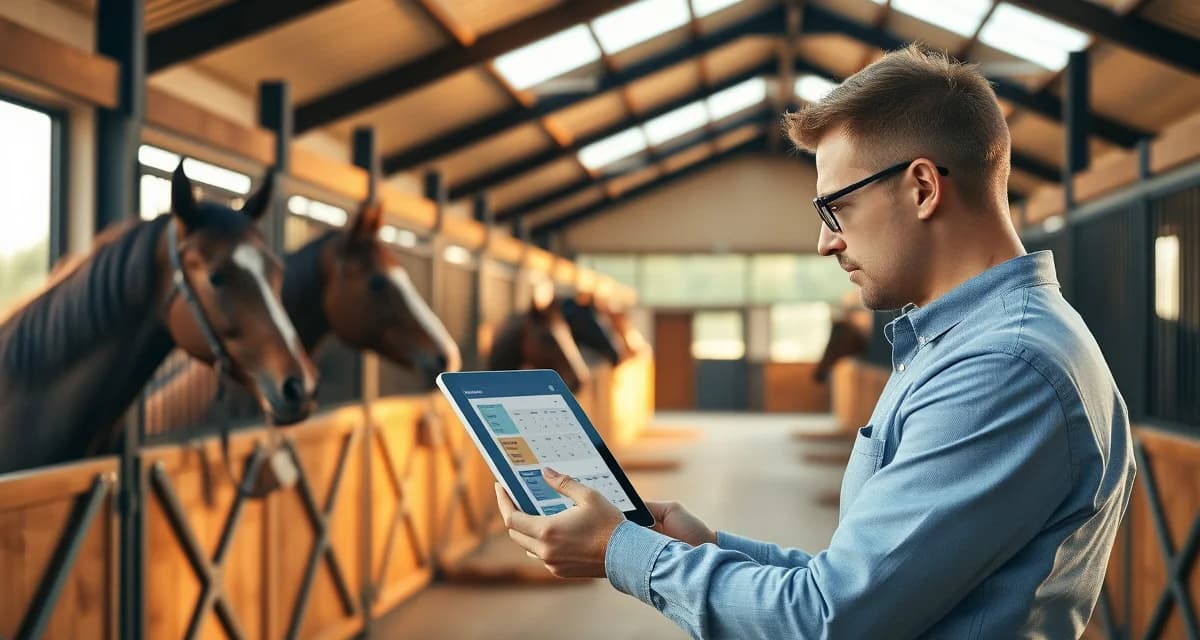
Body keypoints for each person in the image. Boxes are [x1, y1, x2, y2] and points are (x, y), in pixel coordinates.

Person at [496, 44, 1136, 639]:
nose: (826, 242)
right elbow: (866, 581)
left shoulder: (1001, 367)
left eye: (837, 209)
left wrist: (623, 551)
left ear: (922, 187)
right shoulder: (959, 343)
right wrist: (706, 548)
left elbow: (828, 619)